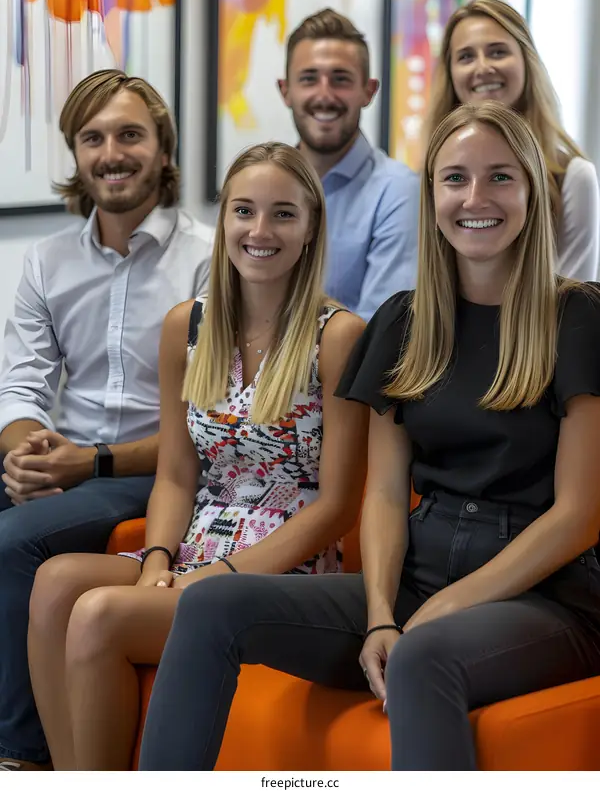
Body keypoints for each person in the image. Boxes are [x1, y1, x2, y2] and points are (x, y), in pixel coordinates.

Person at [137, 102, 600, 772]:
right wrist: (383, 612)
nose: (476, 198)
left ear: (531, 189)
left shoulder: (578, 315)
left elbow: (580, 514)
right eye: (454, 178)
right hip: (414, 579)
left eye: (500, 177)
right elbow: (383, 495)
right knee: (210, 603)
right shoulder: (402, 321)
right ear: (431, 194)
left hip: (546, 597)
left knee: (425, 652)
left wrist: (447, 605)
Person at [27, 142, 368, 771]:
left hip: (279, 568)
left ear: (311, 227)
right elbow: (177, 475)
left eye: (283, 214)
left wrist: (218, 578)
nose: (260, 231)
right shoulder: (187, 325)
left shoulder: (339, 335)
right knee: (54, 584)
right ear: (225, 220)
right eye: (244, 211)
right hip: (193, 544)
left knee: (100, 613)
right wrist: (159, 557)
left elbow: (338, 505)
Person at [0, 69, 212, 771]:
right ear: (76, 152)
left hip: (159, 470)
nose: (111, 153)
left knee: (16, 540)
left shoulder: (210, 260)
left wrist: (86, 462)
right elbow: (20, 383)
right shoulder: (47, 261)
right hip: (68, 458)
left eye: (130, 134)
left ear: (161, 147)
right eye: (93, 138)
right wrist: (26, 456)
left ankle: (22, 758)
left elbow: (211, 425)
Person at [425, 0, 599, 281]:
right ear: (450, 73)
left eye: (497, 52)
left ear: (526, 61)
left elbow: (575, 301)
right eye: (466, 56)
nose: (482, 68)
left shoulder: (572, 176)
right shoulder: (431, 171)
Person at [278, 8, 420, 320]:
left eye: (340, 79)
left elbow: (382, 330)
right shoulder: (261, 188)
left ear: (368, 91)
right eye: (309, 79)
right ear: (285, 90)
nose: (324, 95)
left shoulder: (399, 192)